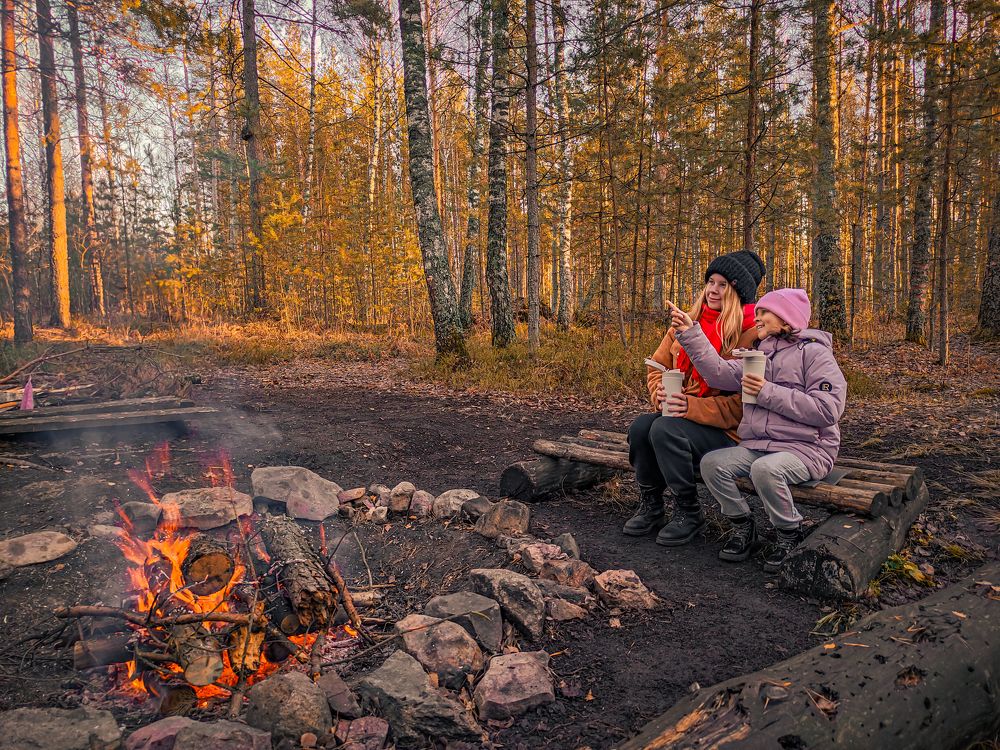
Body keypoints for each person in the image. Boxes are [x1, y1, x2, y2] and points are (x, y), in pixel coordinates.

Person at [669, 287, 847, 572]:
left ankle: (789, 533)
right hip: (761, 445)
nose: (757, 318)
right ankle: (743, 524)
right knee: (713, 464)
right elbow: (718, 372)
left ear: (785, 317)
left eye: (764, 312)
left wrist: (766, 392)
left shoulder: (815, 354)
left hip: (808, 449)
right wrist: (691, 332)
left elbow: (828, 410)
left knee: (765, 470)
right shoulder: (759, 354)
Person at [624, 250, 765, 546]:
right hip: (685, 419)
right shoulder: (687, 322)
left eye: (723, 284)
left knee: (664, 429)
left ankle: (688, 512)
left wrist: (691, 407)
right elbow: (658, 367)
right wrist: (659, 392)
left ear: (738, 291)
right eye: (710, 282)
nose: (713, 290)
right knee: (641, 427)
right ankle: (652, 506)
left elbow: (745, 406)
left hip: (728, 434)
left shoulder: (751, 335)